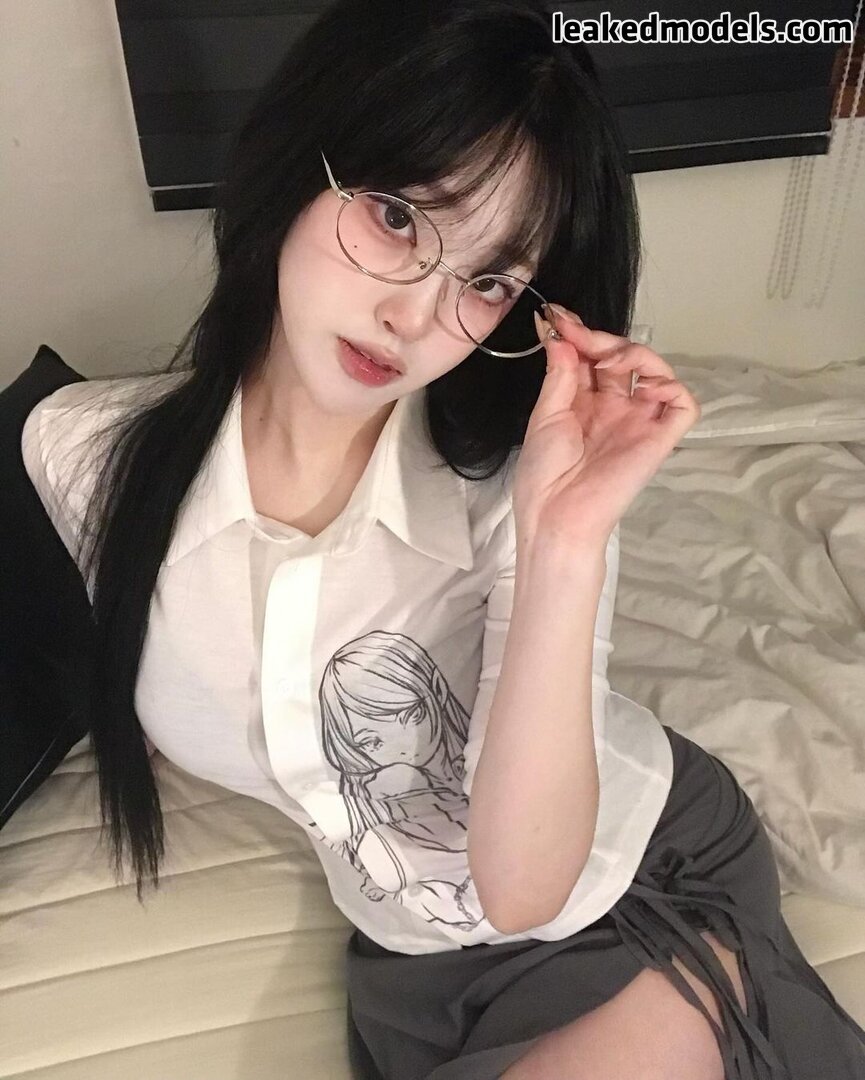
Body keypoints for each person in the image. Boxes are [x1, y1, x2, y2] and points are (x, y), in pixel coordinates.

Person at [19, 1, 865, 1078]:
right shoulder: (81, 452)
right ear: (294, 162)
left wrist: (565, 543)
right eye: (396, 217)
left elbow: (523, 889)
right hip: (406, 952)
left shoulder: (510, 497)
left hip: (621, 882)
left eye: (488, 281)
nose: (415, 317)